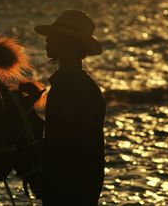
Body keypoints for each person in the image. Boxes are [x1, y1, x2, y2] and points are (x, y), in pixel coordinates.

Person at [34, 10, 106, 205]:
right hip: (81, 186)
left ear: (69, 44)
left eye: (54, 36)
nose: (47, 40)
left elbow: (63, 142)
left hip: (69, 189)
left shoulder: (70, 86)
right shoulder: (78, 83)